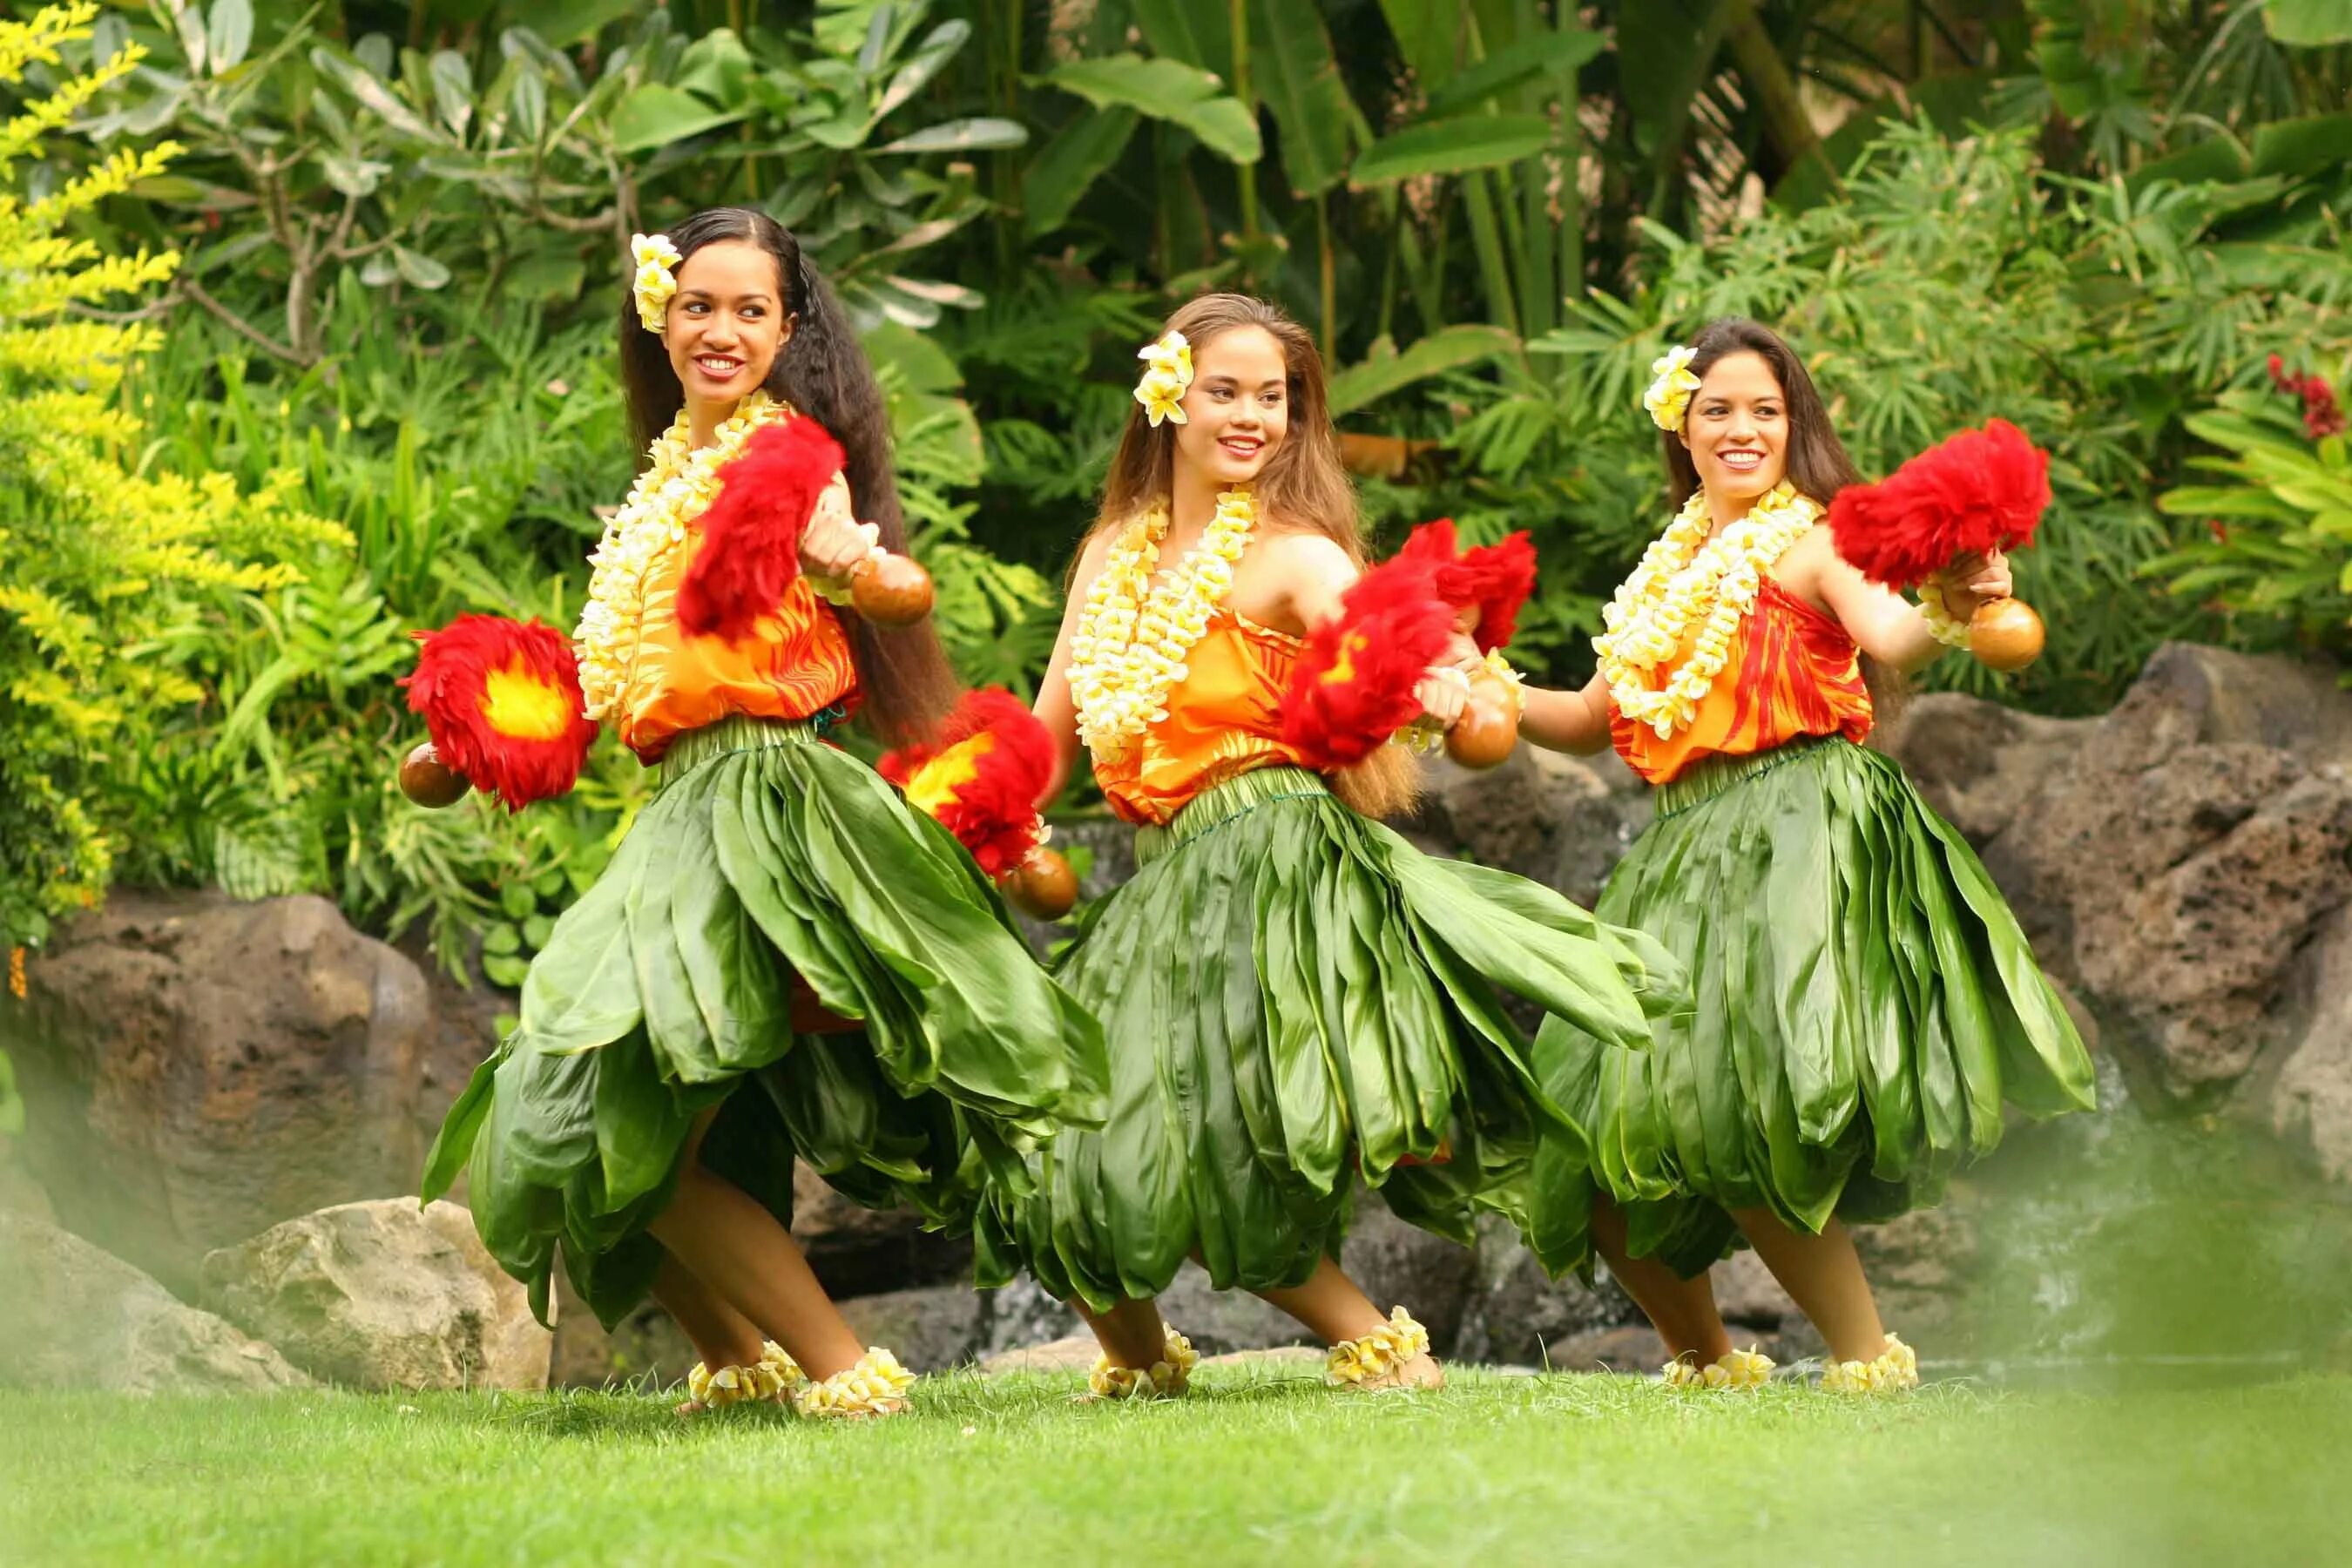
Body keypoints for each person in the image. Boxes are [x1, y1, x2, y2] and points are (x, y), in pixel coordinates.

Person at [422, 207, 1105, 1418]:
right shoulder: (662, 484)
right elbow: (614, 667)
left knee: (646, 1113)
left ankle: (849, 1371)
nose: (722, 329)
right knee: (592, 1116)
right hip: (688, 810)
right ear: (660, 316)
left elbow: (862, 568)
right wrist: (478, 739)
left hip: (772, 802)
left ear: (790, 328)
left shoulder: (790, 458)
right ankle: (742, 1360)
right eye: (699, 305)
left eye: (751, 310)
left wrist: (857, 564)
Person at [976, 294, 1677, 1396]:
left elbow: (1388, 649)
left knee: (1218, 1140)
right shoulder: (1113, 551)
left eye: (1276, 396)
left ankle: (1376, 1344)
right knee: (1060, 1148)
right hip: (1167, 882)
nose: (1253, 415)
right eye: (1226, 391)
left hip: (1275, 868)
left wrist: (1445, 680)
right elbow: (1049, 732)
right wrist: (977, 810)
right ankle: (1142, 1364)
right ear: (1169, 396)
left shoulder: (1299, 557)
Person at [1511, 316, 2095, 1391]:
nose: (1741, 429)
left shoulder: (1815, 539)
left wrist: (1965, 596)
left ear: (1795, 426)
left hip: (1797, 834)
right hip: (1685, 848)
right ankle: (1711, 1365)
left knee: (1743, 1105)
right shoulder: (1664, 570)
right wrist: (1479, 685)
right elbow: (1594, 717)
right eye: (1717, 409)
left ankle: (1869, 1359)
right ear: (1679, 427)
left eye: (1765, 410)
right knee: (1592, 1132)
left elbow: (1894, 637)